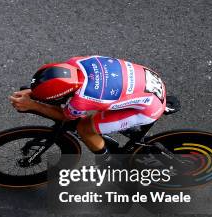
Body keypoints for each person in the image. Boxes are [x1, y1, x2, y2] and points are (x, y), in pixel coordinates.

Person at [9, 55, 167, 159]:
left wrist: (33, 105)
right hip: (149, 80)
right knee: (102, 107)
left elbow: (66, 116)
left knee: (85, 128)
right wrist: (34, 92)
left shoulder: (85, 98)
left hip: (149, 109)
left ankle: (111, 164)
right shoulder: (75, 62)